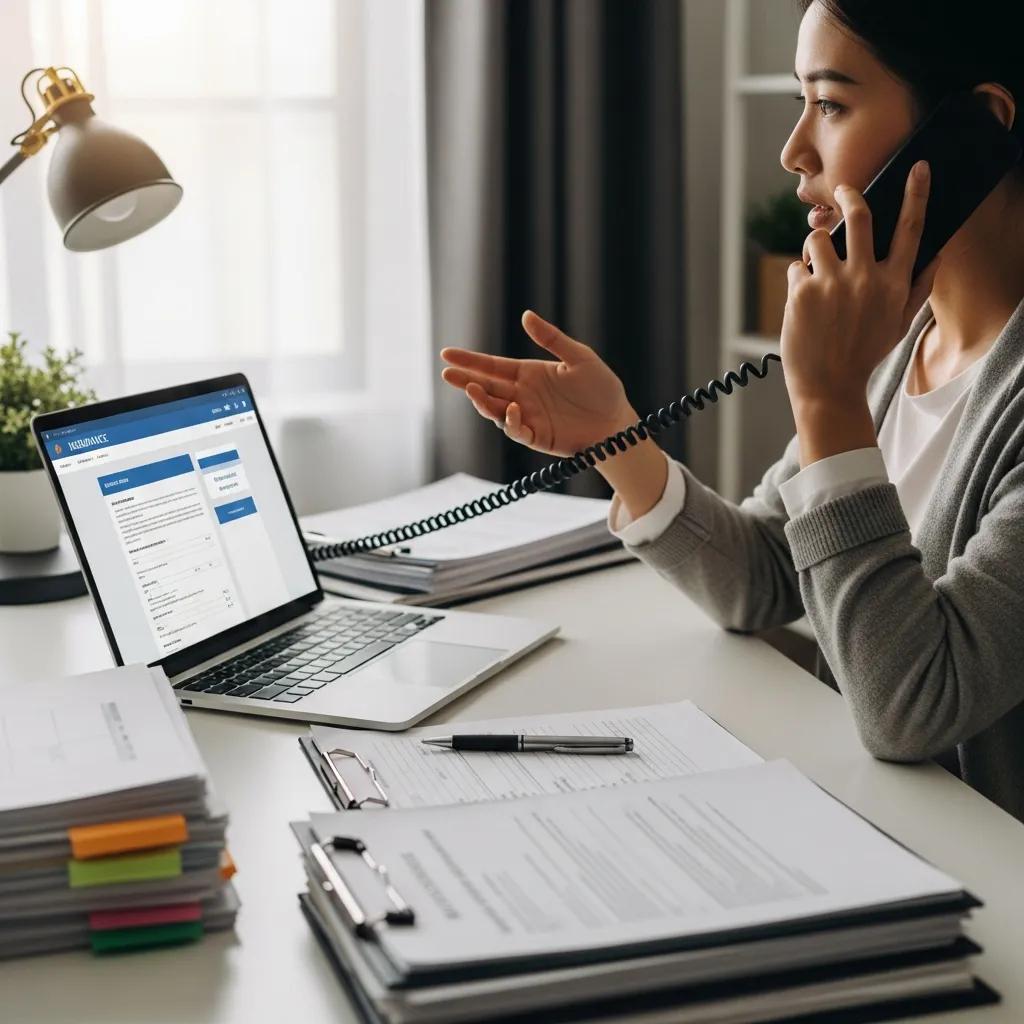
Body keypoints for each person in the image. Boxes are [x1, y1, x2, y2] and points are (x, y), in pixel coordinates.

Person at [439, 0, 1024, 823]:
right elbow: (767, 574)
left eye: (831, 104)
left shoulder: (879, 366)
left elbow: (911, 703)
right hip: (875, 823)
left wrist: (828, 401)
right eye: (800, 102)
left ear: (977, 128)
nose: (793, 151)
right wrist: (619, 441)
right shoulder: (898, 343)